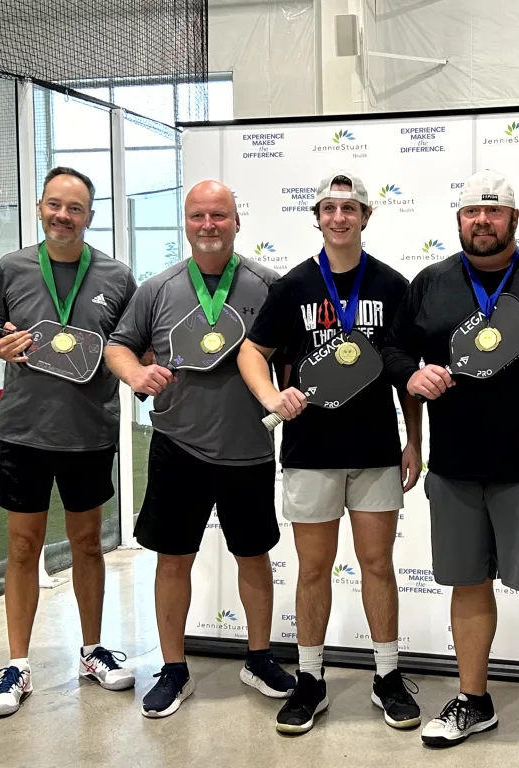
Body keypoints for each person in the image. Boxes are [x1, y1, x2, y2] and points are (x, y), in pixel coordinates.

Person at [382, 169, 519, 766]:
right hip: (454, 470)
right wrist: (410, 372)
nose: (482, 221)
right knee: (468, 584)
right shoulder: (431, 282)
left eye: (494, 212)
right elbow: (394, 346)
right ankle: (473, 700)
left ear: (514, 219)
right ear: (458, 220)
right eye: (471, 213)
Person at [237, 171, 423, 735]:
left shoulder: (393, 285)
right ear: (316, 217)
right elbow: (252, 350)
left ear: (366, 217)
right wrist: (273, 395)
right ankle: (311, 679)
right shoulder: (293, 286)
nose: (339, 217)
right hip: (310, 450)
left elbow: (404, 373)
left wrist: (414, 440)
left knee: (377, 565)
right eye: (329, 208)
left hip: (374, 452)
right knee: (313, 569)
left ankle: (386, 675)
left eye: (350, 208)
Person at [105, 180, 295, 718]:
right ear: (185, 223)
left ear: (238, 221)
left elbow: (291, 358)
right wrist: (138, 373)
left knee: (253, 557)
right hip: (177, 445)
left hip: (248, 449)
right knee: (173, 559)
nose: (208, 225)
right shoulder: (158, 287)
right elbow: (118, 346)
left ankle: (259, 659)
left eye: (219, 216)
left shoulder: (269, 285)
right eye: (197, 217)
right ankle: (174, 669)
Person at [0, 167, 138, 717]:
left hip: (89, 433)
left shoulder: (117, 276)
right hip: (22, 431)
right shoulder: (13, 266)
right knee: (23, 548)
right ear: (41, 208)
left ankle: (92, 650)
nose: (63, 215)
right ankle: (18, 665)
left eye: (75, 208)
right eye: (54, 205)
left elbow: (133, 344)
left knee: (88, 545)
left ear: (90, 217)